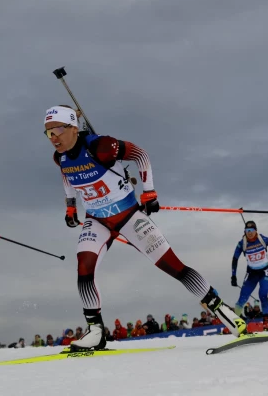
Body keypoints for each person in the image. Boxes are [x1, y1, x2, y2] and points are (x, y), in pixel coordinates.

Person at [44, 105, 246, 350]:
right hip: (97, 220)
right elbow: (67, 175)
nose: (52, 138)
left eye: (56, 130)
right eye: (47, 133)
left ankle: (221, 310)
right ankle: (96, 332)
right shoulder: (60, 157)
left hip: (128, 216)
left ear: (74, 128)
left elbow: (140, 154)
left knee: (174, 267)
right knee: (84, 268)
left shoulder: (101, 147)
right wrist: (70, 207)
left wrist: (149, 191)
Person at [231, 220, 268, 331]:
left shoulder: (263, 239)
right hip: (252, 273)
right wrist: (233, 275)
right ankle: (236, 322)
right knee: (242, 298)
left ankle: (266, 322)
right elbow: (235, 259)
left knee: (263, 295)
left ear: (256, 230)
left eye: (251, 230)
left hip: (264, 272)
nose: (249, 233)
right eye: (247, 231)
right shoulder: (241, 243)